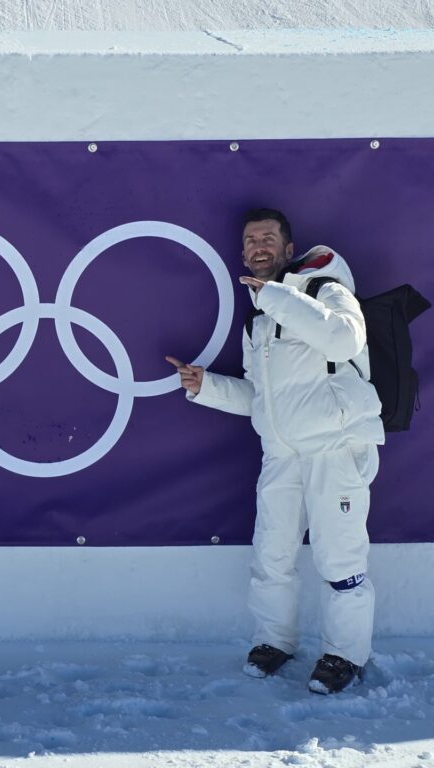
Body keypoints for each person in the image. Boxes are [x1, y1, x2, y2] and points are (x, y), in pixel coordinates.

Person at [166, 208, 383, 695]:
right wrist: (208, 387)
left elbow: (346, 336)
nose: (258, 246)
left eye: (268, 238)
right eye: (249, 240)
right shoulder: (258, 320)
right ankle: (274, 641)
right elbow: (261, 400)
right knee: (273, 555)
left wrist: (279, 298)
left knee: (340, 559)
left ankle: (345, 654)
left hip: (335, 446)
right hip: (282, 454)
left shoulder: (325, 287)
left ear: (288, 250)